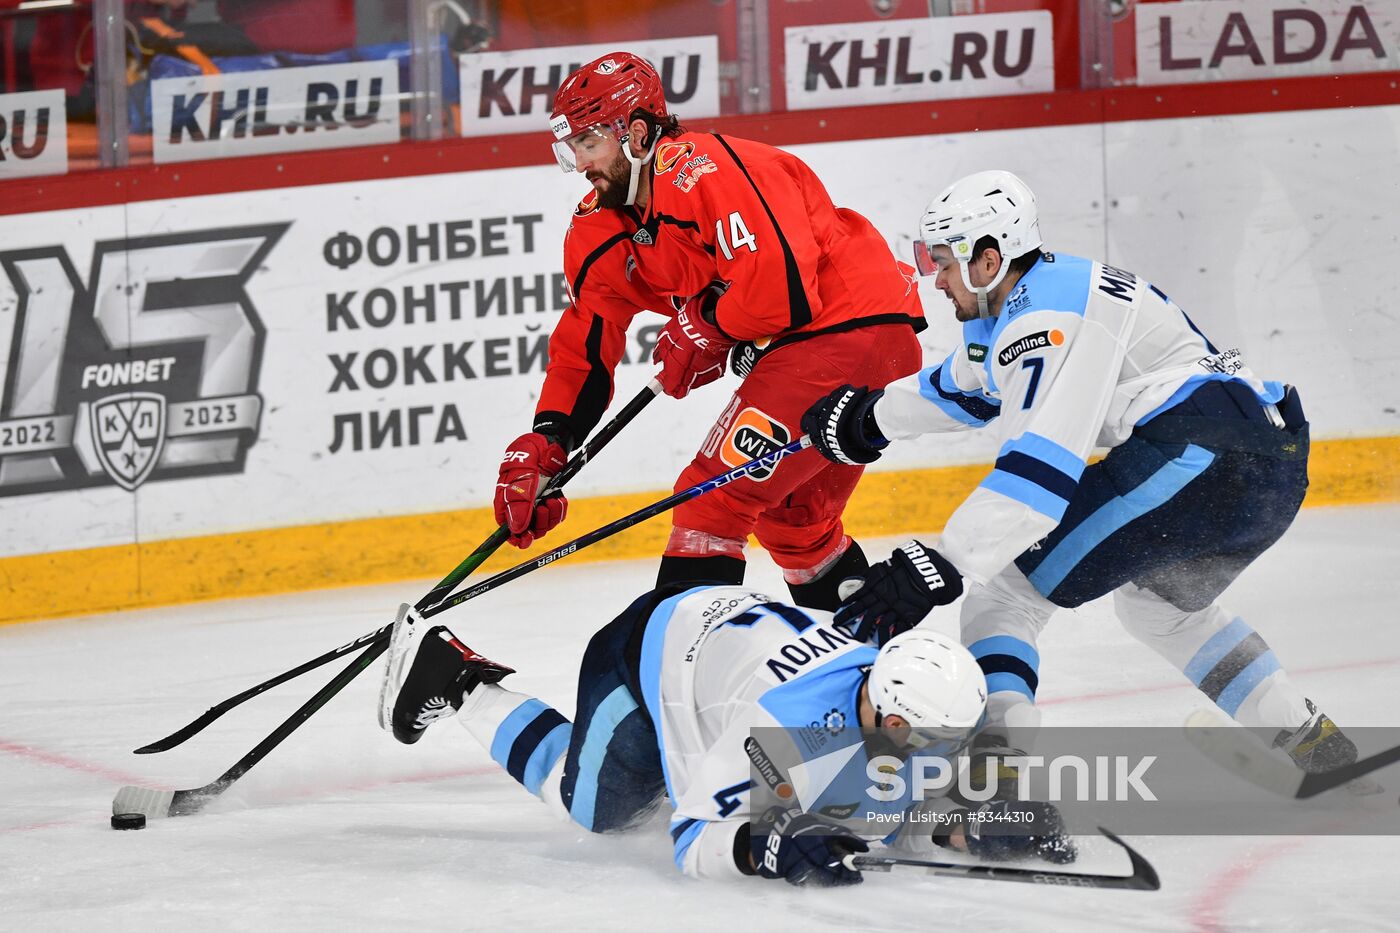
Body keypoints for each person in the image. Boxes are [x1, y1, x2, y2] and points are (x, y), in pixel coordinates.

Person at [802, 169, 1360, 778]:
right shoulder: (1042, 293)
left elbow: (1039, 473)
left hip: (1198, 458)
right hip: (1270, 466)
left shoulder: (1045, 321)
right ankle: (1310, 740)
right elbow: (970, 387)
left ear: (988, 260)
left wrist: (943, 563)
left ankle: (996, 782)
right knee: (1162, 611)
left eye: (943, 262)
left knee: (1004, 595)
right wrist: (868, 416)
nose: (935, 279)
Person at [493, 52, 926, 611]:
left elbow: (783, 293)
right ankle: (873, 674)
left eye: (591, 142)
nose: (581, 163)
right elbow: (586, 340)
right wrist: (549, 441)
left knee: (709, 503)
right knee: (794, 523)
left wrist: (703, 326)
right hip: (852, 340)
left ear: (639, 133)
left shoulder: (704, 169)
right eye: (571, 147)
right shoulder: (598, 229)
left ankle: (680, 674)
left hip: (842, 328)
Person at [377, 583, 1076, 883]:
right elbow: (690, 835)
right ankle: (457, 679)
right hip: (646, 657)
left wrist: (970, 825)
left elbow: (896, 799)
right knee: (599, 811)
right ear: (892, 719)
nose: (939, 760)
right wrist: (760, 845)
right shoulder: (779, 723)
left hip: (721, 641)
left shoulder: (897, 700)